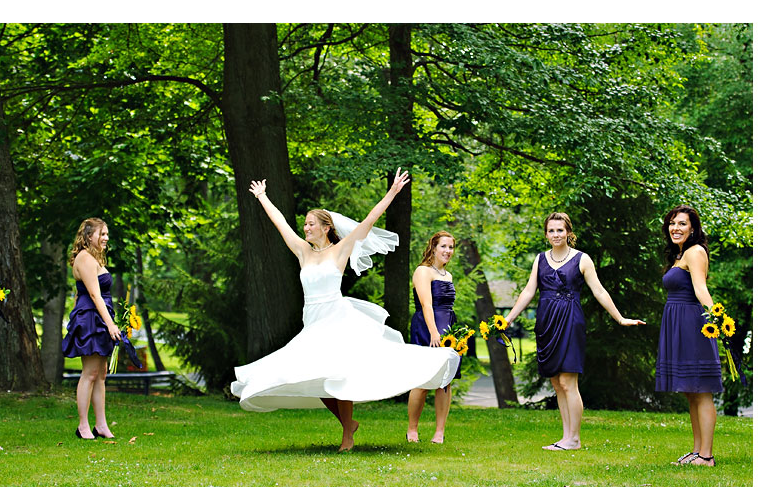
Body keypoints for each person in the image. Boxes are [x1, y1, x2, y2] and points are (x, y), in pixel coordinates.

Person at [231, 169, 460, 451]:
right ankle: (348, 423)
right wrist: (262, 197)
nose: (306, 228)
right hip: (312, 323)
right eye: (305, 224)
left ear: (326, 227)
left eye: (311, 224)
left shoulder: (340, 250)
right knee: (312, 375)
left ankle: (347, 438)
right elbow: (280, 224)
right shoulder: (303, 251)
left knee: (338, 373)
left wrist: (392, 192)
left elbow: (369, 220)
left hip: (337, 320)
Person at [505, 212, 645, 451]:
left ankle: (575, 438)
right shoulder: (540, 259)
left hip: (570, 321)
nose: (556, 235)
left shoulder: (582, 259)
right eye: (551, 230)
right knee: (557, 382)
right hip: (546, 322)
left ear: (569, 232)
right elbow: (529, 291)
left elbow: (599, 291)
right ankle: (566, 437)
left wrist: (620, 318)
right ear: (546, 234)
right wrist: (508, 319)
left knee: (568, 382)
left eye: (560, 230)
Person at [656, 205, 722, 466]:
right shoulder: (680, 254)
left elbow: (701, 289)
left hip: (693, 325)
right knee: (691, 391)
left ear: (693, 228)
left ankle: (706, 455)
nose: (676, 228)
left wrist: (718, 319)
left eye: (682, 223)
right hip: (678, 324)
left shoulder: (695, 252)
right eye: (672, 223)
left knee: (701, 390)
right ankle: (696, 451)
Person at [62, 218, 121, 440]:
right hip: (91, 319)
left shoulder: (95, 257)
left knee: (101, 373)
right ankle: (83, 425)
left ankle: (101, 424)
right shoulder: (85, 258)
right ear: (88, 236)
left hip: (99, 317)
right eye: (101, 234)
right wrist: (110, 324)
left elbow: (82, 294)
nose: (106, 238)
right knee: (90, 373)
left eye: (106, 234)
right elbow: (94, 295)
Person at [406, 231, 460, 444]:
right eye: (443, 246)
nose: (448, 251)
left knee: (445, 381)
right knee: (422, 380)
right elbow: (426, 304)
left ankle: (439, 432)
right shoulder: (423, 271)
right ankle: (412, 429)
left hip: (448, 328)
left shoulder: (448, 275)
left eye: (451, 247)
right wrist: (434, 332)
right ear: (433, 248)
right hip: (427, 328)